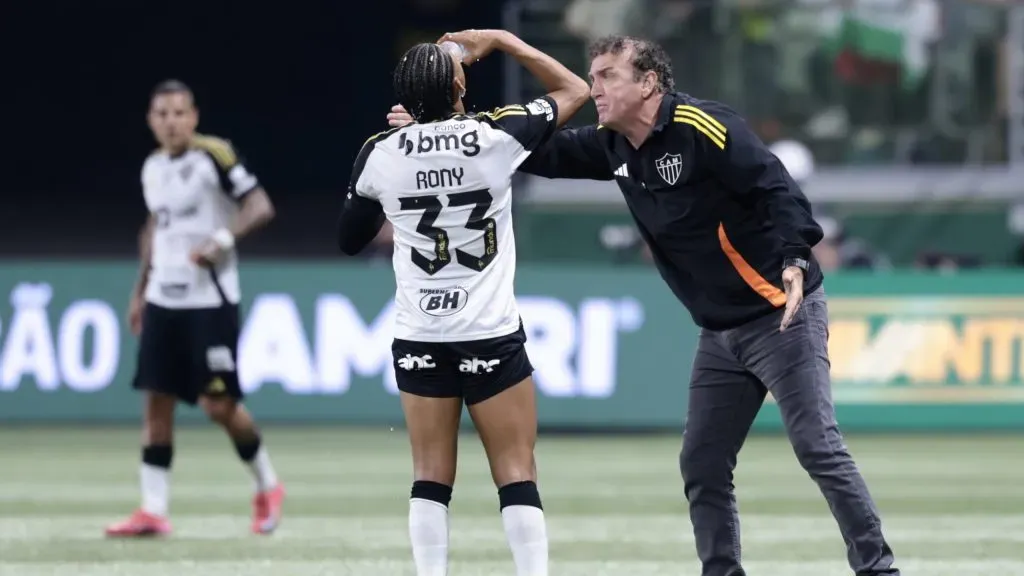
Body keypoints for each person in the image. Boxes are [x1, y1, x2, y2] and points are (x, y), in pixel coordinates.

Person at [387, 34, 902, 576]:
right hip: (719, 332)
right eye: (595, 74)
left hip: (781, 314)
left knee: (817, 446)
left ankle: (878, 569)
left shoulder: (702, 127)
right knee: (702, 464)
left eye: (608, 75)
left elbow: (776, 187)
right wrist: (441, 129)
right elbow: (528, 147)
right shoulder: (612, 145)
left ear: (649, 82)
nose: (595, 87)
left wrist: (796, 256)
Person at [340, 30, 589, 576]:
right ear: (458, 82)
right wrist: (503, 42)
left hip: (420, 331)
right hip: (488, 331)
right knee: (516, 470)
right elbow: (575, 88)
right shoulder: (495, 135)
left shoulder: (378, 152)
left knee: (429, 474)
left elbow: (350, 237)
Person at [105, 80, 283, 538]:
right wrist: (140, 289)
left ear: (194, 116)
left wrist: (221, 241)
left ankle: (267, 485)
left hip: (210, 302)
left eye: (179, 113)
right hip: (165, 298)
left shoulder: (215, 156)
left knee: (219, 405)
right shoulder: (152, 167)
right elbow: (153, 228)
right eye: (162, 114)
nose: (171, 122)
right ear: (151, 120)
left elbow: (260, 205)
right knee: (156, 402)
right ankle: (153, 509)